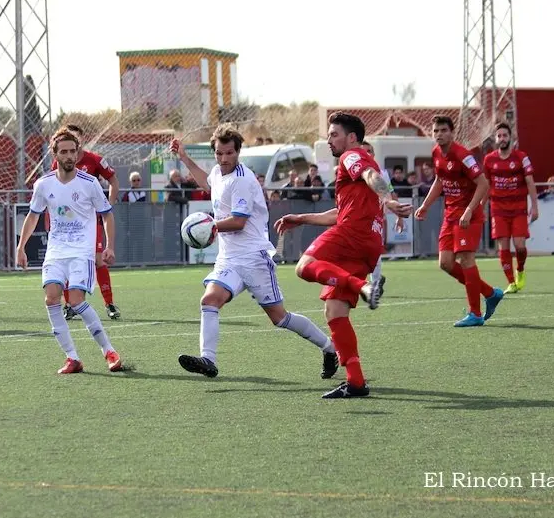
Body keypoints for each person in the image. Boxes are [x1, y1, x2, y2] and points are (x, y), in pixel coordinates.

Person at [169, 124, 340, 380]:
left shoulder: (243, 180)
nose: (224, 159)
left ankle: (330, 349)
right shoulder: (218, 172)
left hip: (254, 258)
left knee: (280, 318)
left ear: (238, 152)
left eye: (229, 153)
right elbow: (208, 183)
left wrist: (209, 226)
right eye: (219, 154)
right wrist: (183, 157)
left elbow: (238, 222)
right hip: (228, 258)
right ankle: (208, 359)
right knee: (209, 300)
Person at [274, 112, 413, 399]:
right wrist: (300, 217)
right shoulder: (359, 166)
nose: (329, 139)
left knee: (304, 266)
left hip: (353, 235)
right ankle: (356, 382)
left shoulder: (352, 156)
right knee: (334, 311)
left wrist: (388, 198)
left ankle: (363, 286)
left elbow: (371, 176)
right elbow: (340, 212)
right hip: (368, 244)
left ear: (351, 137)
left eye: (334, 134)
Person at [17, 129, 123, 374]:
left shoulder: (90, 183)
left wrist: (109, 246)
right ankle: (72, 358)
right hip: (55, 251)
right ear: (54, 154)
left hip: (81, 252)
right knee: (51, 298)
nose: (68, 156)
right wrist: (21, 247)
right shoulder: (43, 184)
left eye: (72, 151)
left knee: (75, 301)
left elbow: (107, 214)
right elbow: (33, 216)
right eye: (63, 151)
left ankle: (109, 351)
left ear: (77, 153)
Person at [414, 115, 503, 327]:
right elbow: (439, 180)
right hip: (451, 214)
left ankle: (476, 313)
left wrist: (470, 211)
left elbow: (483, 184)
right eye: (436, 131)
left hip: (468, 216)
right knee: (445, 263)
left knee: (465, 259)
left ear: (452, 133)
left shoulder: (463, 155)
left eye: (443, 130)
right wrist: (425, 205)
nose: (439, 135)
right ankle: (490, 293)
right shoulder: (436, 153)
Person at [49, 124, 121, 321]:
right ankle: (69, 305)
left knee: (99, 261)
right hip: (67, 224)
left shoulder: (94, 160)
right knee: (64, 263)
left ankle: (109, 303)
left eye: (74, 142)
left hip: (89, 222)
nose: (70, 151)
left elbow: (113, 180)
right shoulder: (58, 164)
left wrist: (108, 204)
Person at [483, 122, 539, 293]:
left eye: (505, 135)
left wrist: (534, 206)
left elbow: (530, 181)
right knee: (503, 246)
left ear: (511, 138)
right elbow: (485, 185)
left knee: (520, 246)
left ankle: (520, 270)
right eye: (499, 136)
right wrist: (480, 207)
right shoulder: (489, 159)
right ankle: (511, 282)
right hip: (498, 209)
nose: (502, 139)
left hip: (518, 208)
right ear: (495, 139)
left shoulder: (521, 157)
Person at [360, 140, 404, 300]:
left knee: (375, 252)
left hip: (376, 218)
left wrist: (399, 217)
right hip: (356, 219)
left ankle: (375, 283)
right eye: (363, 151)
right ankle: (362, 283)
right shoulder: (354, 171)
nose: (366, 154)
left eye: (369, 151)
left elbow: (390, 195)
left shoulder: (381, 173)